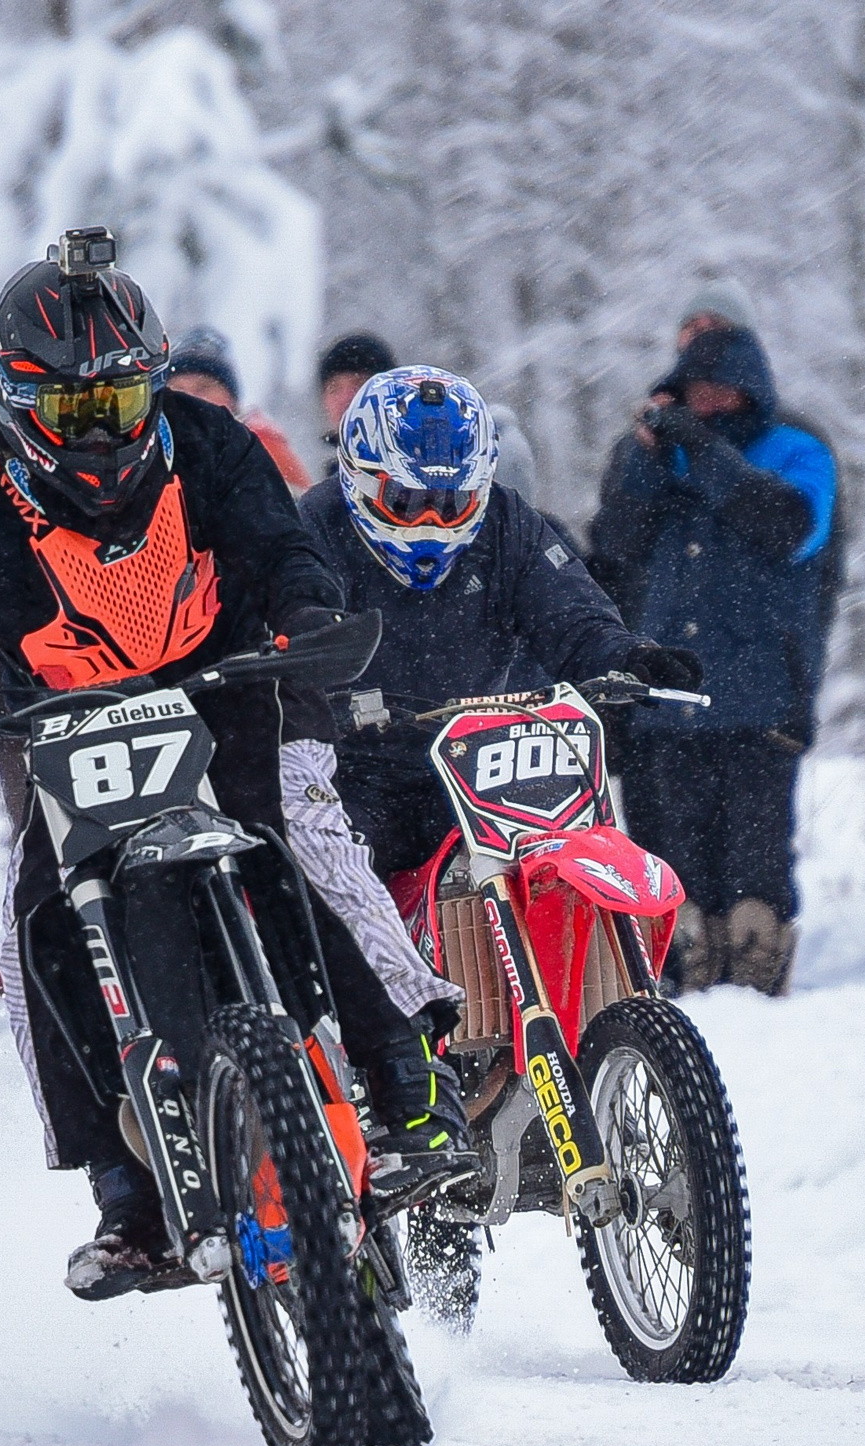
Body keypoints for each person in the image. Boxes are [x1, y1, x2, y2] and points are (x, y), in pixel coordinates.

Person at [0, 236, 476, 1300]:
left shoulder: (206, 441)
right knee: (37, 933)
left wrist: (307, 616)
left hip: (221, 689)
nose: (103, 433)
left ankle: (404, 1088)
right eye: (73, 413)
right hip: (68, 730)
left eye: (122, 402)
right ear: (17, 403)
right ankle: (125, 1196)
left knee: (281, 858)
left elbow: (280, 547)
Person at [295, 367, 696, 1005]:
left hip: (478, 760)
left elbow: (569, 609)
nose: (430, 521)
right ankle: (354, 1044)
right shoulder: (308, 534)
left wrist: (625, 655)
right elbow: (271, 633)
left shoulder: (507, 524)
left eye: (452, 503)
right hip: (357, 769)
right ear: (360, 479)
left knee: (562, 858)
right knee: (325, 894)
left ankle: (596, 1002)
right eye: (406, 501)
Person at [586, 325, 836, 995]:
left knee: (756, 866)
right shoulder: (661, 460)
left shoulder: (798, 451)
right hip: (671, 704)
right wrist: (645, 452)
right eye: (695, 394)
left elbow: (791, 528)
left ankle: (758, 974)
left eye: (722, 392)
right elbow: (615, 541)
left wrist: (707, 452)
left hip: (760, 701)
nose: (710, 405)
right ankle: (688, 969)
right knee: (677, 866)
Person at [661, 277, 849, 696]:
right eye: (691, 328)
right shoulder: (655, 442)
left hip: (762, 692)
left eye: (718, 326)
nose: (702, 339)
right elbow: (620, 556)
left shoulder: (797, 441)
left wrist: (705, 451)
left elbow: (796, 534)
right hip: (661, 701)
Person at [167, 325, 314, 492]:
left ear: (231, 398)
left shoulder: (259, 444)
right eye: (177, 389)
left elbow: (300, 508)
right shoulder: (150, 449)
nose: (190, 398)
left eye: (203, 388)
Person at [316, 331, 398, 476]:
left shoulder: (417, 473)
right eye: (334, 388)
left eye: (359, 385)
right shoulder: (330, 485)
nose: (346, 398)